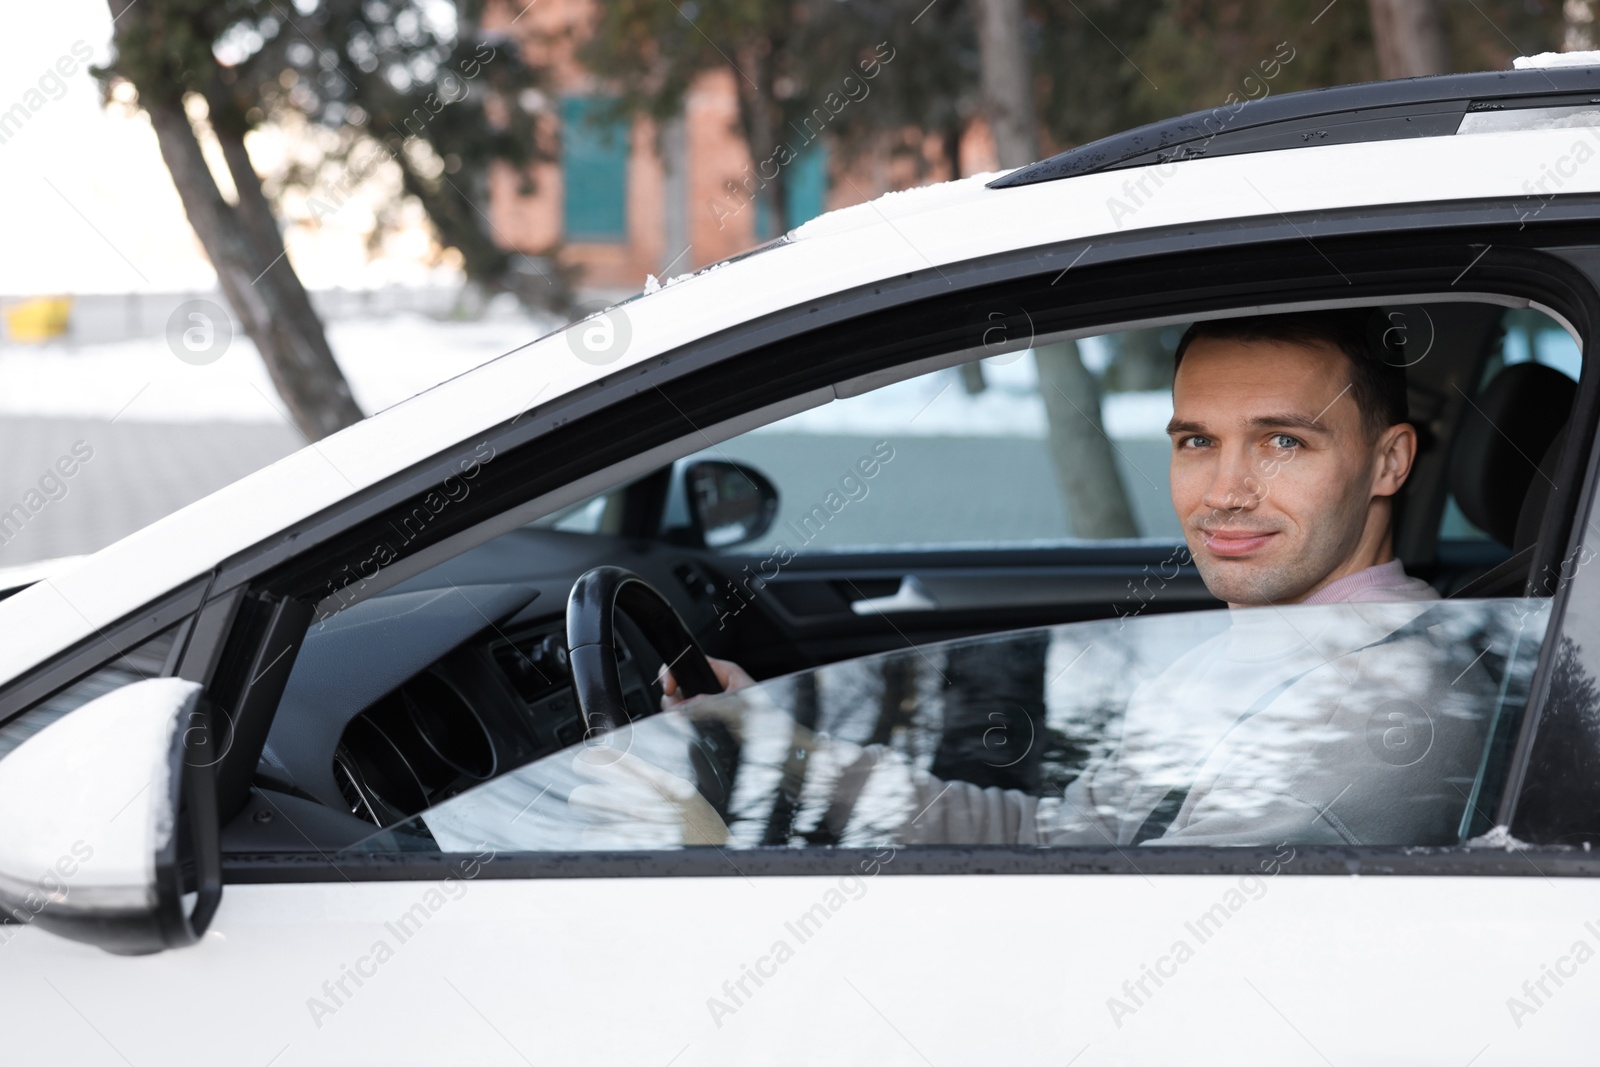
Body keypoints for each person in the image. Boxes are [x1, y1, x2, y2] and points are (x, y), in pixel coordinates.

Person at [649, 310, 1494, 847]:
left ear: (1388, 462)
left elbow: (1112, 957)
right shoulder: (1250, 654)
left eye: (1283, 441)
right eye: (1197, 440)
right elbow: (1052, 842)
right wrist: (777, 746)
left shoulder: (1385, 710)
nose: (1226, 491)